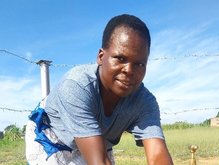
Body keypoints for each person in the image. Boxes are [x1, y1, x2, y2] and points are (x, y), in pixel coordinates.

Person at [25, 14, 174, 165]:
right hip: (54, 139)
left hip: (97, 142)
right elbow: (99, 162)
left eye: (139, 64)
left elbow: (157, 154)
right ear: (101, 56)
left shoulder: (145, 102)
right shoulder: (76, 86)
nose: (129, 70)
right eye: (120, 58)